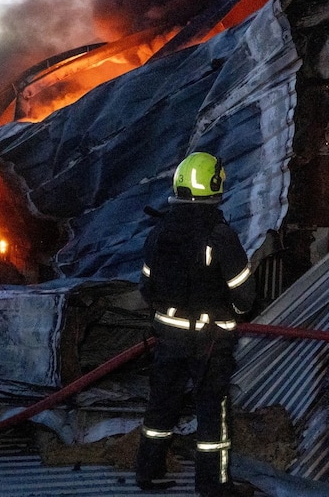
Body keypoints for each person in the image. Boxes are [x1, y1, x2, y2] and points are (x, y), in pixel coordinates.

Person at [134, 151, 255, 496]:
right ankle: (213, 485)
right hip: (210, 341)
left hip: (168, 338)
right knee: (212, 412)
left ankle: (148, 472)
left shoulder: (158, 233)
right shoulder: (220, 235)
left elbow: (146, 286)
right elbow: (244, 296)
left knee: (161, 404)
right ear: (215, 185)